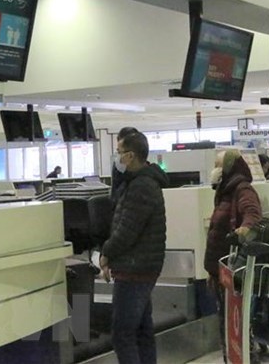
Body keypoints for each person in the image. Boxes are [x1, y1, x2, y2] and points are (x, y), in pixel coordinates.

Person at [99, 131, 168, 364]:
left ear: (130, 156)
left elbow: (127, 230)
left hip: (134, 268)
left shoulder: (141, 186)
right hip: (142, 266)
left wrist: (106, 253)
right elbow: (119, 209)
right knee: (141, 330)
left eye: (119, 153)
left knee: (123, 334)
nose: (116, 158)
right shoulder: (140, 182)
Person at [204, 149, 262, 362]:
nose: (215, 169)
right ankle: (233, 357)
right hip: (222, 267)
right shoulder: (225, 192)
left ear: (229, 168)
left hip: (235, 268)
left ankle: (242, 357)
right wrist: (212, 271)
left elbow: (253, 213)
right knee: (227, 319)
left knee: (235, 320)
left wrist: (245, 229)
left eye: (218, 165)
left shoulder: (242, 189)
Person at [110, 126, 140, 209]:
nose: (120, 156)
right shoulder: (120, 164)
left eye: (121, 151)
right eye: (118, 151)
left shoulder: (143, 181)